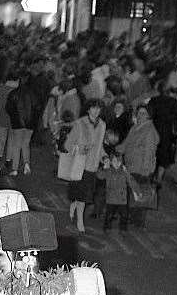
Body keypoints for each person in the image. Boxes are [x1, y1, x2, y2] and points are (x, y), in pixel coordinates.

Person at [65, 99, 106, 232]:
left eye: (98, 108)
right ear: (88, 109)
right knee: (82, 195)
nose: (96, 111)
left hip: (92, 165)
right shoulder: (80, 123)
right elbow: (67, 144)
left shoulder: (102, 125)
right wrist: (80, 148)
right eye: (93, 108)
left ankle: (74, 205)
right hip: (79, 164)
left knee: (85, 195)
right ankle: (80, 221)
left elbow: (100, 147)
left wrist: (104, 157)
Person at [116, 105, 160, 228]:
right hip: (131, 165)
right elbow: (126, 143)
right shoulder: (135, 127)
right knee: (132, 192)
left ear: (148, 115)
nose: (141, 115)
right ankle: (133, 217)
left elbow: (149, 151)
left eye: (144, 113)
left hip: (141, 167)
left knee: (140, 193)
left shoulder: (149, 131)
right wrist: (117, 150)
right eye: (139, 113)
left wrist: (146, 170)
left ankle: (139, 221)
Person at [5, 74, 41, 176]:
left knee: (16, 145)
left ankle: (15, 169)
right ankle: (26, 164)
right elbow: (38, 108)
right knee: (26, 144)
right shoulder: (35, 94)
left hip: (17, 124)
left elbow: (8, 108)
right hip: (30, 124)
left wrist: (14, 117)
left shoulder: (13, 93)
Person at [96, 152, 139, 232]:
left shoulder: (124, 172)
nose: (116, 164)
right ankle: (107, 227)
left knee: (124, 215)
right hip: (111, 198)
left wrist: (136, 192)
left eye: (119, 162)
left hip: (122, 199)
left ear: (121, 162)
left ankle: (123, 229)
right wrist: (103, 167)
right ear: (111, 162)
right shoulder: (108, 171)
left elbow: (131, 181)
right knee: (109, 215)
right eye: (114, 161)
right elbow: (99, 176)